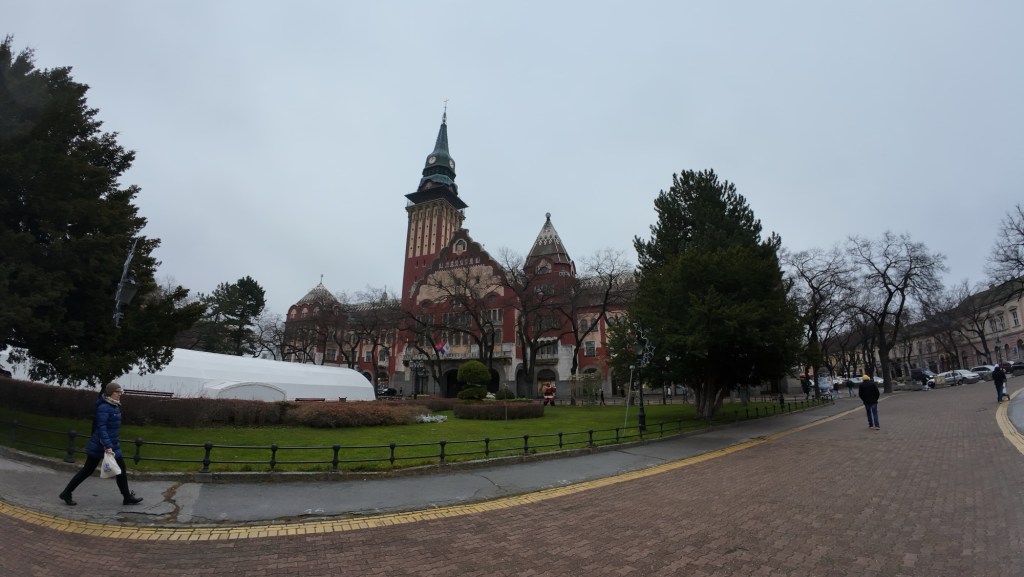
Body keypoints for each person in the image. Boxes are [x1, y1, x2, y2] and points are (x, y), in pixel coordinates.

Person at [59, 383, 143, 506]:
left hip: (111, 444)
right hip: (101, 445)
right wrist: (108, 445)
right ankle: (66, 493)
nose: (120, 393)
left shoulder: (114, 406)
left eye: (120, 391)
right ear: (110, 393)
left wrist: (111, 443)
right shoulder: (104, 407)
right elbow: (101, 428)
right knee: (87, 470)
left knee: (121, 470)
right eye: (117, 391)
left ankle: (127, 497)